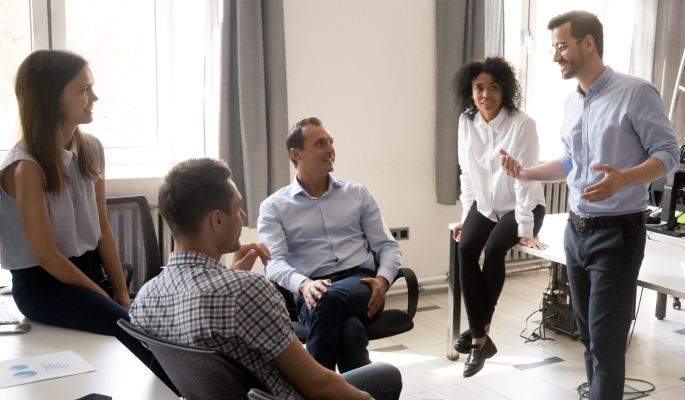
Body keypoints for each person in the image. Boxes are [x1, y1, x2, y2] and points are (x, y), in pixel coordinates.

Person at [500, 11, 680, 400]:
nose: (555, 57)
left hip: (617, 234)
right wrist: (527, 174)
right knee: (588, 340)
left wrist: (625, 178)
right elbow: (568, 162)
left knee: (606, 344)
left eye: (561, 47)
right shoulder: (571, 102)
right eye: (553, 48)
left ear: (588, 43)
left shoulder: (636, 92)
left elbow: (669, 154)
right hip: (576, 232)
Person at [131, 158, 402, 400]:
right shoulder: (246, 291)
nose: (243, 216)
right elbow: (319, 386)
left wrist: (231, 275)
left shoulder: (146, 298)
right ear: (217, 220)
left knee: (349, 328)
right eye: (237, 207)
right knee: (385, 375)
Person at [0, 50, 175, 392]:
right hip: (43, 286)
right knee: (140, 336)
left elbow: (102, 228)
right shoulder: (27, 167)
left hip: (88, 272)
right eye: (83, 89)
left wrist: (122, 292)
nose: (94, 97)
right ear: (51, 97)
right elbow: (48, 257)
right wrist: (106, 299)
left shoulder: (92, 148)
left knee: (149, 328)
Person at [259, 117, 401, 373]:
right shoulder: (274, 206)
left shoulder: (358, 193)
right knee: (350, 331)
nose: (330, 149)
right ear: (296, 153)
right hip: (311, 290)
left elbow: (388, 247)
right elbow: (274, 263)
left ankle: (311, 388)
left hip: (362, 286)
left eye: (331, 142)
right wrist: (303, 283)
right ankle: (359, 391)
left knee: (326, 302)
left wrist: (383, 280)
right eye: (320, 143)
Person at [449, 57, 548, 377]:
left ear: (504, 89)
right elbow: (466, 172)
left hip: (525, 204)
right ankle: (480, 338)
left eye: (493, 87)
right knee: (464, 249)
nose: (486, 94)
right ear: (471, 91)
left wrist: (524, 227)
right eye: (479, 88)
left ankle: (479, 332)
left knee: (493, 249)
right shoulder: (467, 121)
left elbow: (525, 179)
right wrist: (467, 215)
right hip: (486, 205)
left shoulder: (522, 124)